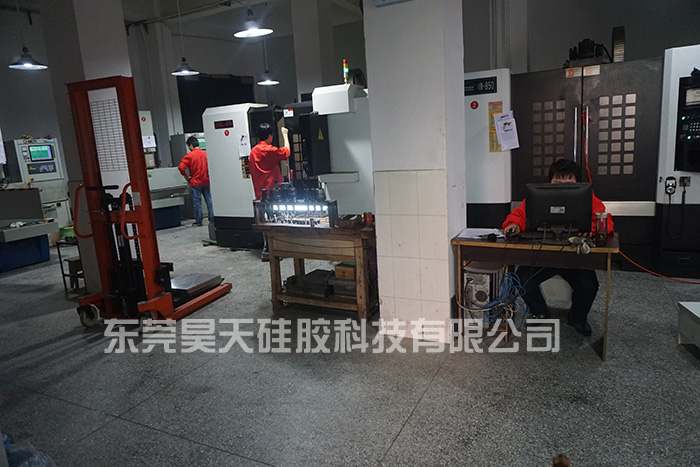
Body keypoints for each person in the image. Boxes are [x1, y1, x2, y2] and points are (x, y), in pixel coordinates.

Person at [502, 159, 614, 336]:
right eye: (558, 181)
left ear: (577, 182)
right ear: (550, 181)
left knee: (588, 285)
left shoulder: (589, 199)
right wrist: (513, 225)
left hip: (574, 257)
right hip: (543, 254)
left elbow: (606, 222)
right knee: (522, 278)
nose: (563, 185)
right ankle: (540, 311)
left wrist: (590, 229)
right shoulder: (536, 197)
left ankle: (577, 318)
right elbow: (518, 216)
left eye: (569, 181)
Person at [249, 122, 291, 260]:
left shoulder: (253, 152)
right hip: (273, 193)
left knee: (265, 222)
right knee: (276, 221)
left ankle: (267, 250)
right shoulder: (269, 150)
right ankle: (273, 250)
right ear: (270, 136)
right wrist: (285, 135)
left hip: (260, 194)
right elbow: (286, 152)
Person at [178, 136, 214, 226]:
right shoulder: (206, 154)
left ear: (191, 145)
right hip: (206, 181)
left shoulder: (189, 156)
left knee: (197, 202)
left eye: (188, 146)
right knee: (209, 200)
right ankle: (212, 219)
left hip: (195, 182)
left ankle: (198, 221)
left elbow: (181, 167)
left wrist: (186, 177)